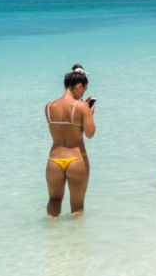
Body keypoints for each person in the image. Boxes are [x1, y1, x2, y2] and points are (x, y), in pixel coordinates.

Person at [44, 67, 96, 217]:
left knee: (54, 200)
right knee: (77, 207)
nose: (83, 94)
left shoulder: (48, 107)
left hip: (54, 161)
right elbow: (90, 133)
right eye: (84, 90)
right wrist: (90, 114)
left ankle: (53, 235)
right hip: (76, 159)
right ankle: (75, 239)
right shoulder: (82, 107)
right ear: (79, 86)